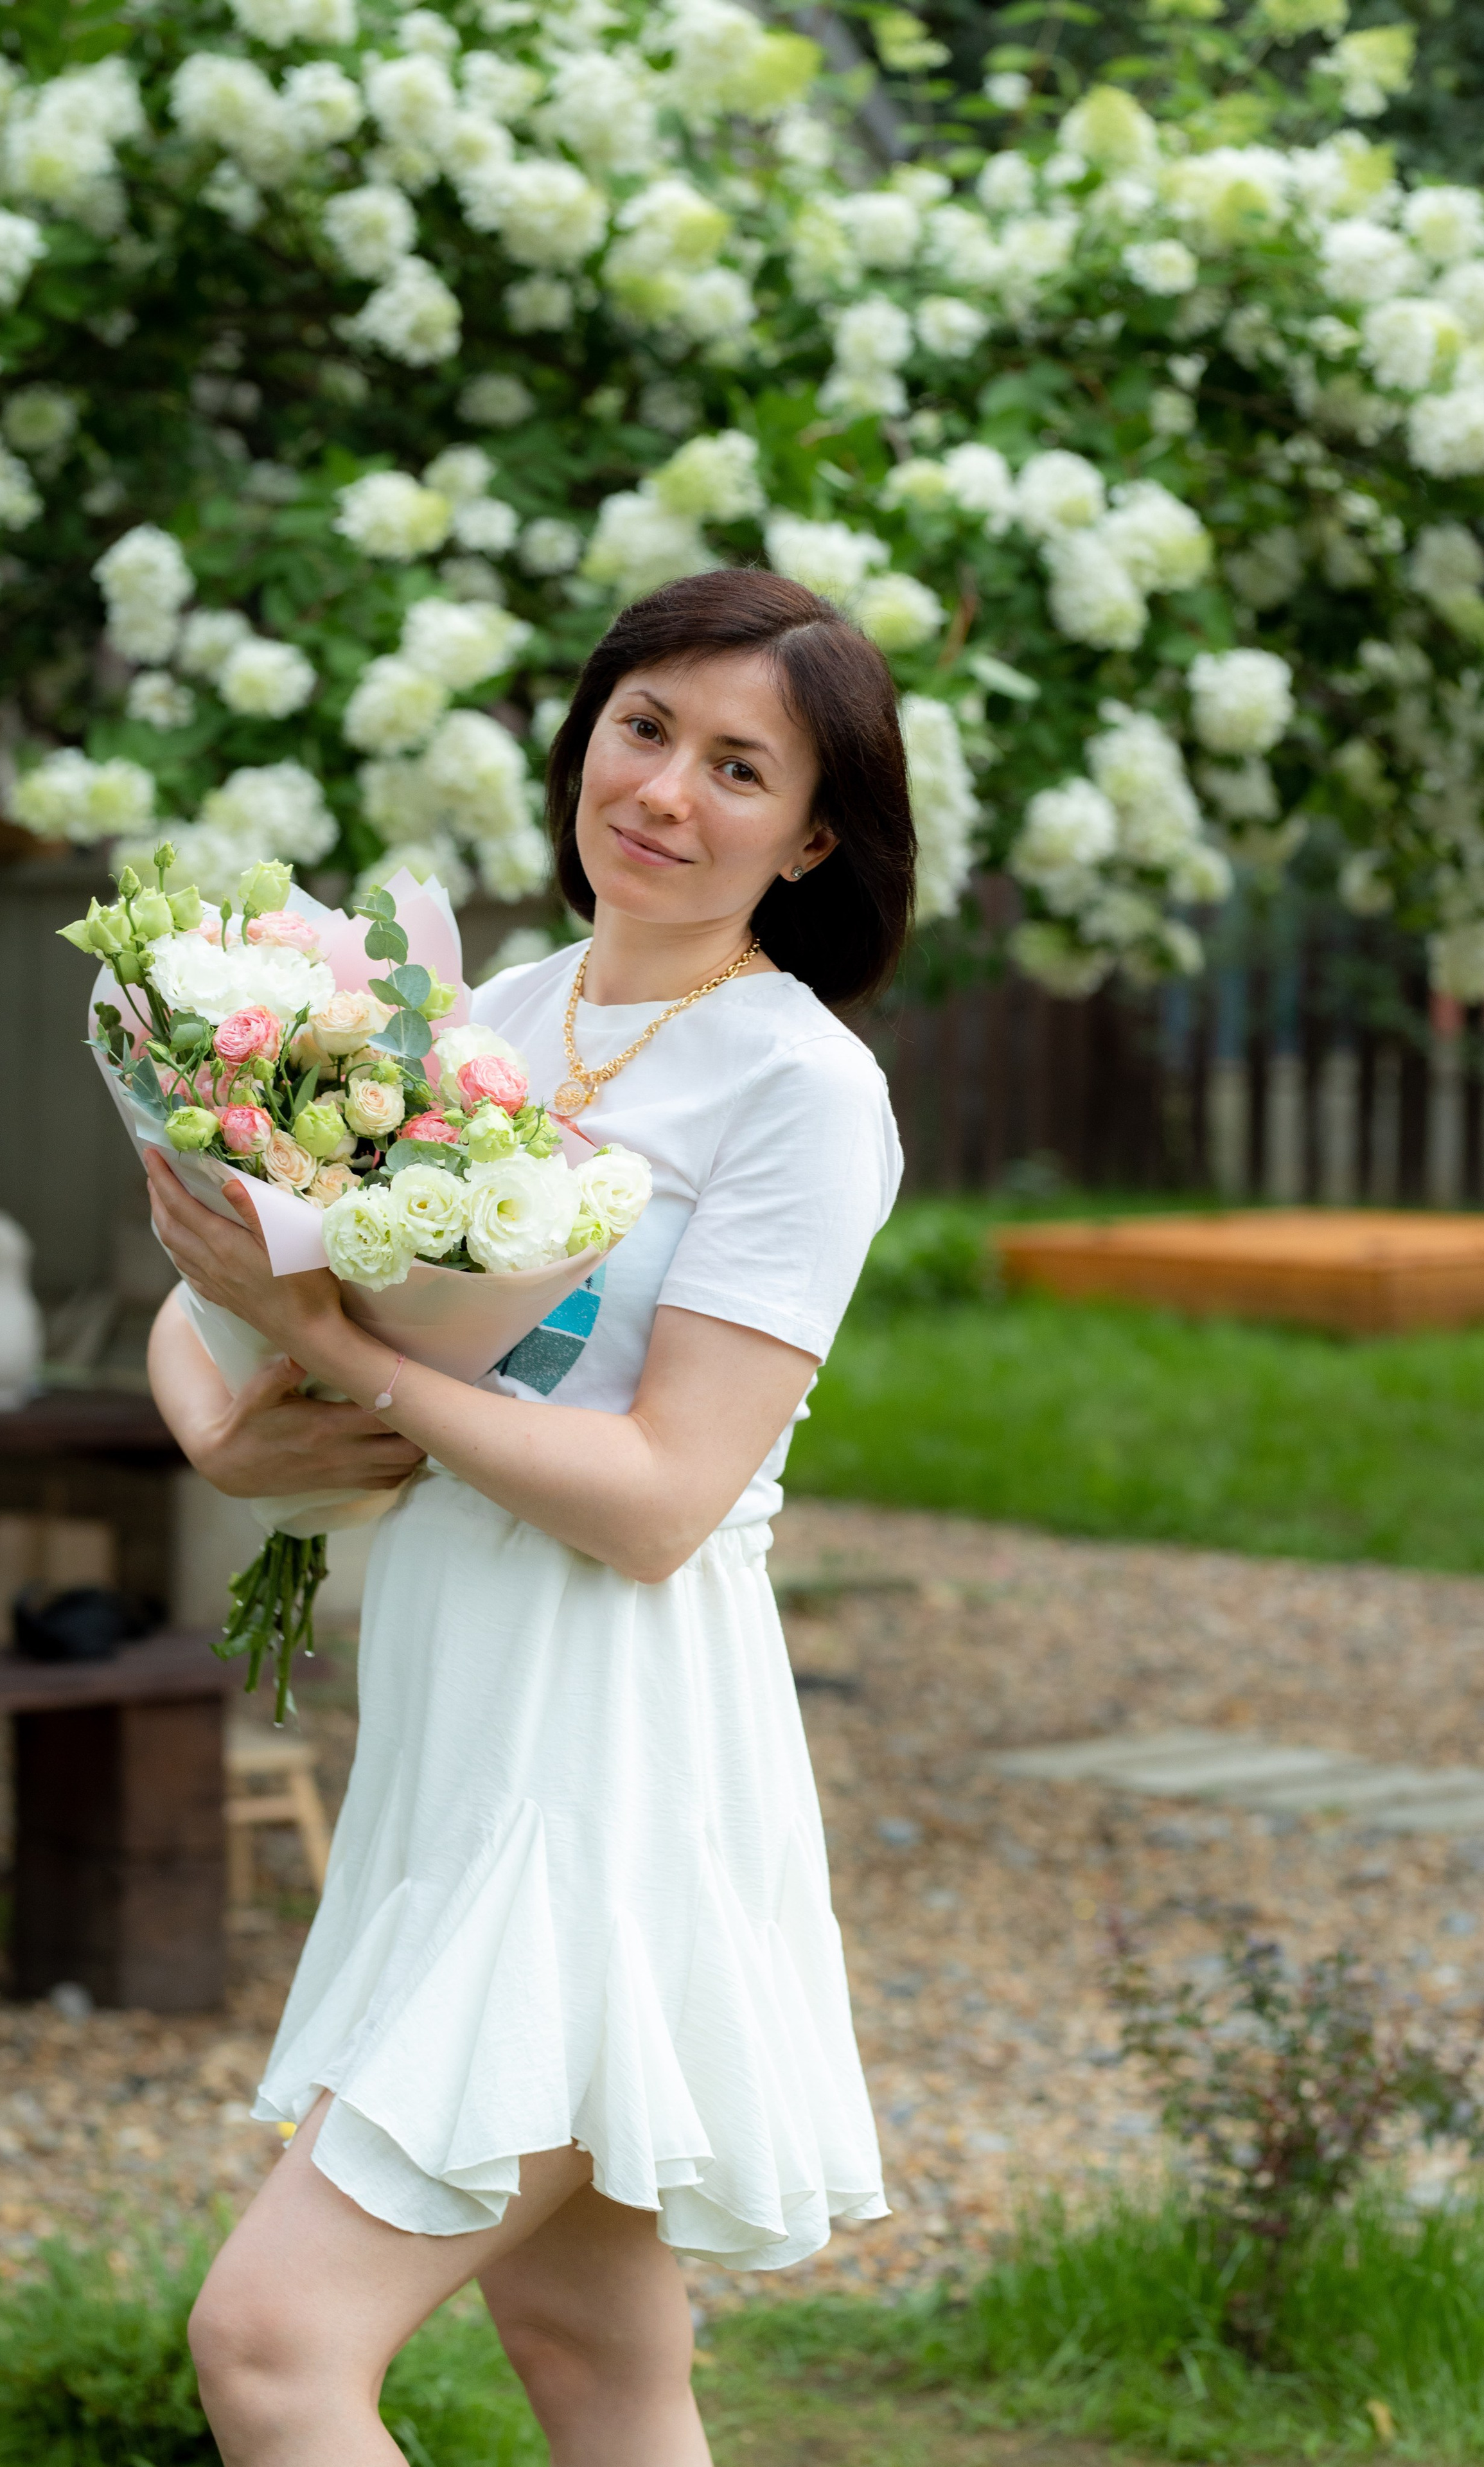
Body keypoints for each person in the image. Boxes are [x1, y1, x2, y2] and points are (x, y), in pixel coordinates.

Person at [145, 567, 917, 2467]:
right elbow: (196, 1292)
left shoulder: (807, 1092)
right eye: (645, 729)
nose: (664, 790)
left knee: (268, 2348)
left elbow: (662, 1499)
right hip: (455, 1737)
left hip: (615, 1764)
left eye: (742, 767)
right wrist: (231, 1446)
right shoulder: (482, 1013)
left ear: (816, 835)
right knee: (599, 2374)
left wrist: (362, 1358)